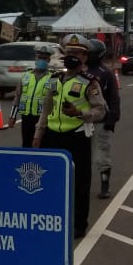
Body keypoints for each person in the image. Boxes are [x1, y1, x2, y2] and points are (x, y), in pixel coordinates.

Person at [33, 34, 107, 239]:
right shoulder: (55, 80)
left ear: (84, 57)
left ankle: (79, 225)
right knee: (50, 181)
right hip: (52, 137)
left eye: (77, 53)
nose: (71, 56)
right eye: (69, 52)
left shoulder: (90, 83)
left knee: (80, 183)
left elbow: (100, 111)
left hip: (76, 137)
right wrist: (38, 134)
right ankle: (53, 219)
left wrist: (80, 114)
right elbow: (46, 110)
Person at [85, 38, 121, 199]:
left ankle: (104, 185)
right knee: (81, 157)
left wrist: (111, 120)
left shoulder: (105, 73)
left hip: (100, 122)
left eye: (90, 53)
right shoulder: (80, 70)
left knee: (102, 156)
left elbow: (114, 98)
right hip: (80, 120)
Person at [8, 44, 54, 148]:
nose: (42, 61)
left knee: (42, 145)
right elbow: (17, 97)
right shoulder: (26, 76)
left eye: (45, 58)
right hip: (26, 117)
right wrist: (12, 116)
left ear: (49, 60)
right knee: (26, 144)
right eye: (39, 58)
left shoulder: (53, 77)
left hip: (43, 118)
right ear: (35, 59)